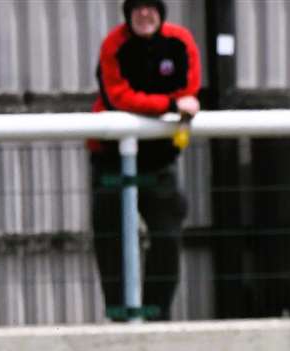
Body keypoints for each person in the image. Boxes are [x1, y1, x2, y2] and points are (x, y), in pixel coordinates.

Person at [89, 0, 200, 321]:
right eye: (137, 8)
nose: (144, 14)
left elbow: (189, 92)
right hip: (110, 159)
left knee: (167, 236)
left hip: (159, 159)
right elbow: (117, 97)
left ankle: (156, 313)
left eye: (151, 7)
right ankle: (119, 314)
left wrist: (168, 105)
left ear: (161, 12)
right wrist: (166, 104)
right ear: (128, 14)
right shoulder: (114, 45)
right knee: (111, 240)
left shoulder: (180, 42)